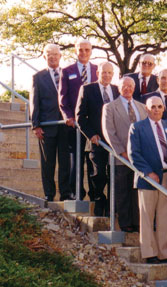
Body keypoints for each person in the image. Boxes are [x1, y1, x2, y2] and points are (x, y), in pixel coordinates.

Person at [128, 96, 167, 263]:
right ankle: (149, 252)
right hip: (148, 178)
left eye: (159, 106)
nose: (156, 110)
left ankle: (164, 253)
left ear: (163, 108)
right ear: (146, 109)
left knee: (164, 217)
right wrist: (148, 172)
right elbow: (133, 154)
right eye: (153, 107)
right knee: (147, 216)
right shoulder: (137, 128)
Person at [102, 76, 147, 232]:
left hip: (139, 158)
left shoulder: (142, 107)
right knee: (122, 191)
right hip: (121, 157)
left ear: (134, 88)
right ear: (118, 88)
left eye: (130, 86)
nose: (127, 89)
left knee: (136, 191)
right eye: (124, 86)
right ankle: (125, 222)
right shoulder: (110, 107)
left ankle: (137, 222)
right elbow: (109, 132)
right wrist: (121, 152)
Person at [75, 61, 120, 216]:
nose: (106, 75)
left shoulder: (117, 90)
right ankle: (99, 200)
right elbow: (80, 116)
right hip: (96, 140)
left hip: (114, 141)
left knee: (114, 173)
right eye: (104, 72)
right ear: (97, 73)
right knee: (98, 173)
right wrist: (91, 134)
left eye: (109, 72)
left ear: (113, 74)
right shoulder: (87, 89)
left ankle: (112, 207)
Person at [29, 43, 71, 202]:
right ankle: (49, 193)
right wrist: (36, 125)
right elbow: (34, 102)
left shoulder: (67, 74)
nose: (53, 57)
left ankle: (66, 193)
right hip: (47, 126)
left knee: (65, 162)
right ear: (45, 57)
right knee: (48, 162)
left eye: (56, 54)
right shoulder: (38, 77)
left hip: (65, 126)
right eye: (49, 54)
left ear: (60, 56)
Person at [59, 38, 98, 200]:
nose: (83, 53)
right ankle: (77, 192)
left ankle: (94, 194)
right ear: (75, 51)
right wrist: (68, 117)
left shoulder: (98, 70)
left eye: (87, 50)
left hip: (93, 124)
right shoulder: (67, 71)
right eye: (80, 50)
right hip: (75, 124)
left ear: (91, 51)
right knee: (76, 159)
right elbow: (63, 99)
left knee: (92, 161)